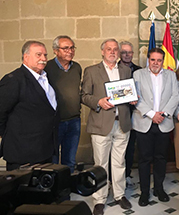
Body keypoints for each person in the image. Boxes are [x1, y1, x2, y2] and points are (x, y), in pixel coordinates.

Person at [81, 39, 132, 215]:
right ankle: (99, 199)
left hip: (122, 123)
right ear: (102, 52)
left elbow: (127, 93)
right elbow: (84, 95)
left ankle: (119, 195)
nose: (112, 52)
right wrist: (98, 102)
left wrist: (132, 98)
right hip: (101, 124)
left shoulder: (126, 70)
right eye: (109, 49)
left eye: (115, 49)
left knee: (120, 162)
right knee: (100, 164)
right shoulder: (91, 71)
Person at [0, 41, 58, 171]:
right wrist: (9, 134)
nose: (43, 59)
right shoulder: (14, 80)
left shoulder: (46, 78)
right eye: (38, 55)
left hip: (44, 149)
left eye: (45, 55)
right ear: (26, 57)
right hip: (23, 152)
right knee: (22, 189)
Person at [132, 48, 179, 207]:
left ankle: (159, 188)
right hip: (144, 122)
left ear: (163, 61)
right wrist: (152, 114)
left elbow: (175, 96)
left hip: (164, 123)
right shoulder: (138, 75)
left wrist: (163, 114)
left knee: (161, 158)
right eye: (153, 60)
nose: (156, 63)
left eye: (159, 60)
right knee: (144, 159)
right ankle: (144, 192)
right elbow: (136, 98)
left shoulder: (171, 75)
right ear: (148, 60)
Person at [45, 35, 82, 174]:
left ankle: (66, 190)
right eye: (65, 48)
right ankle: (54, 192)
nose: (70, 51)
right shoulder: (47, 68)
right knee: (53, 160)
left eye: (72, 48)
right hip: (55, 122)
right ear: (55, 50)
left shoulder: (77, 67)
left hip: (74, 121)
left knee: (70, 160)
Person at [118, 40, 141, 190]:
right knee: (117, 149)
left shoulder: (139, 71)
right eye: (124, 52)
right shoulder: (113, 69)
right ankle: (113, 178)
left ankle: (126, 175)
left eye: (129, 52)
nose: (127, 55)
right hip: (117, 114)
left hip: (136, 113)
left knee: (130, 147)